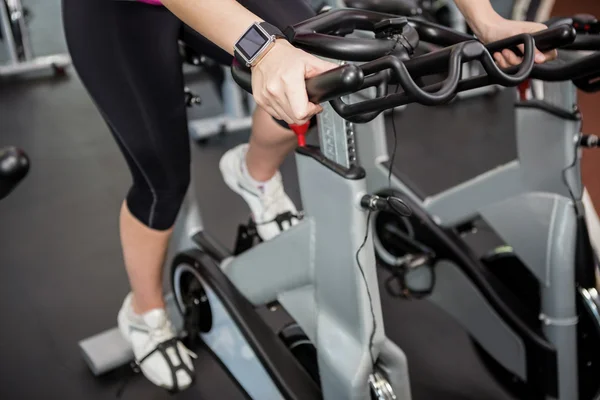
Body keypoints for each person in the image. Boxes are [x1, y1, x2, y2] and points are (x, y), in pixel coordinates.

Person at [62, 0, 556, 392]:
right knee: (161, 179)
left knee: (324, 71)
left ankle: (253, 175)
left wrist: (486, 20)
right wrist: (263, 48)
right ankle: (145, 313)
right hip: (119, 10)